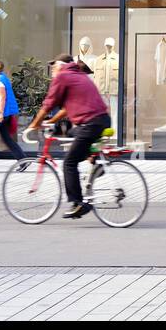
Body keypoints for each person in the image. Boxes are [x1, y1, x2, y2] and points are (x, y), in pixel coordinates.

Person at [25, 54, 111, 220]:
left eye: (53, 67)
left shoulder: (64, 76)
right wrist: (50, 121)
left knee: (69, 163)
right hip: (101, 120)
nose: (51, 71)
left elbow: (48, 103)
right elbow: (65, 109)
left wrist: (34, 124)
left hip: (91, 124)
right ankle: (95, 161)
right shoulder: (78, 75)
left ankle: (78, 203)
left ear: (61, 65)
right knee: (71, 133)